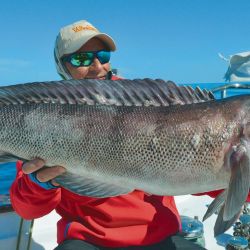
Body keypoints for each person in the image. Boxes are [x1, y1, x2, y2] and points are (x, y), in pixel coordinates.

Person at [9, 20, 243, 250]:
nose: (97, 66)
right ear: (62, 66)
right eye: (81, 59)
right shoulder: (43, 119)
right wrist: (40, 183)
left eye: (103, 56)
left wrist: (242, 177)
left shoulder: (154, 105)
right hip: (87, 241)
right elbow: (28, 211)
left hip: (160, 238)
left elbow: (210, 177)